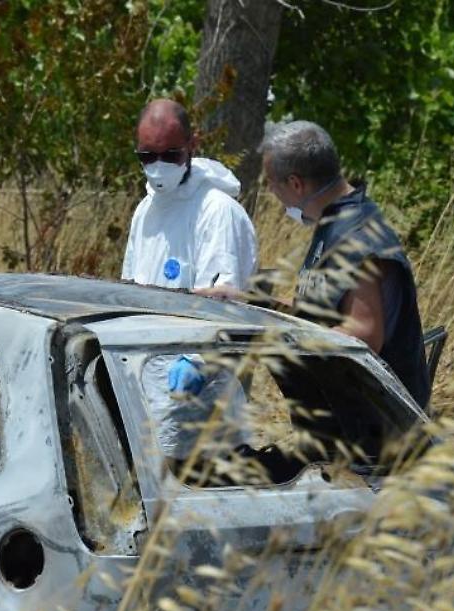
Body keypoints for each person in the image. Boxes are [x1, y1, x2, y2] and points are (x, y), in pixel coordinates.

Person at [258, 120, 431, 408]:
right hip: (341, 413)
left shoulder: (359, 236)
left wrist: (284, 337)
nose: (273, 196)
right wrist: (256, 307)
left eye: (272, 186)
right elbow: (324, 310)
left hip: (376, 428)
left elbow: (363, 334)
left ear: (295, 184)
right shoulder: (334, 223)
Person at [122, 98, 258, 459]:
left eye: (169, 155)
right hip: (147, 393)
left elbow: (224, 304)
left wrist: (196, 361)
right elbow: (127, 291)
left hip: (205, 411)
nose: (158, 166)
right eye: (147, 157)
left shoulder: (217, 211)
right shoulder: (146, 211)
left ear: (192, 145)